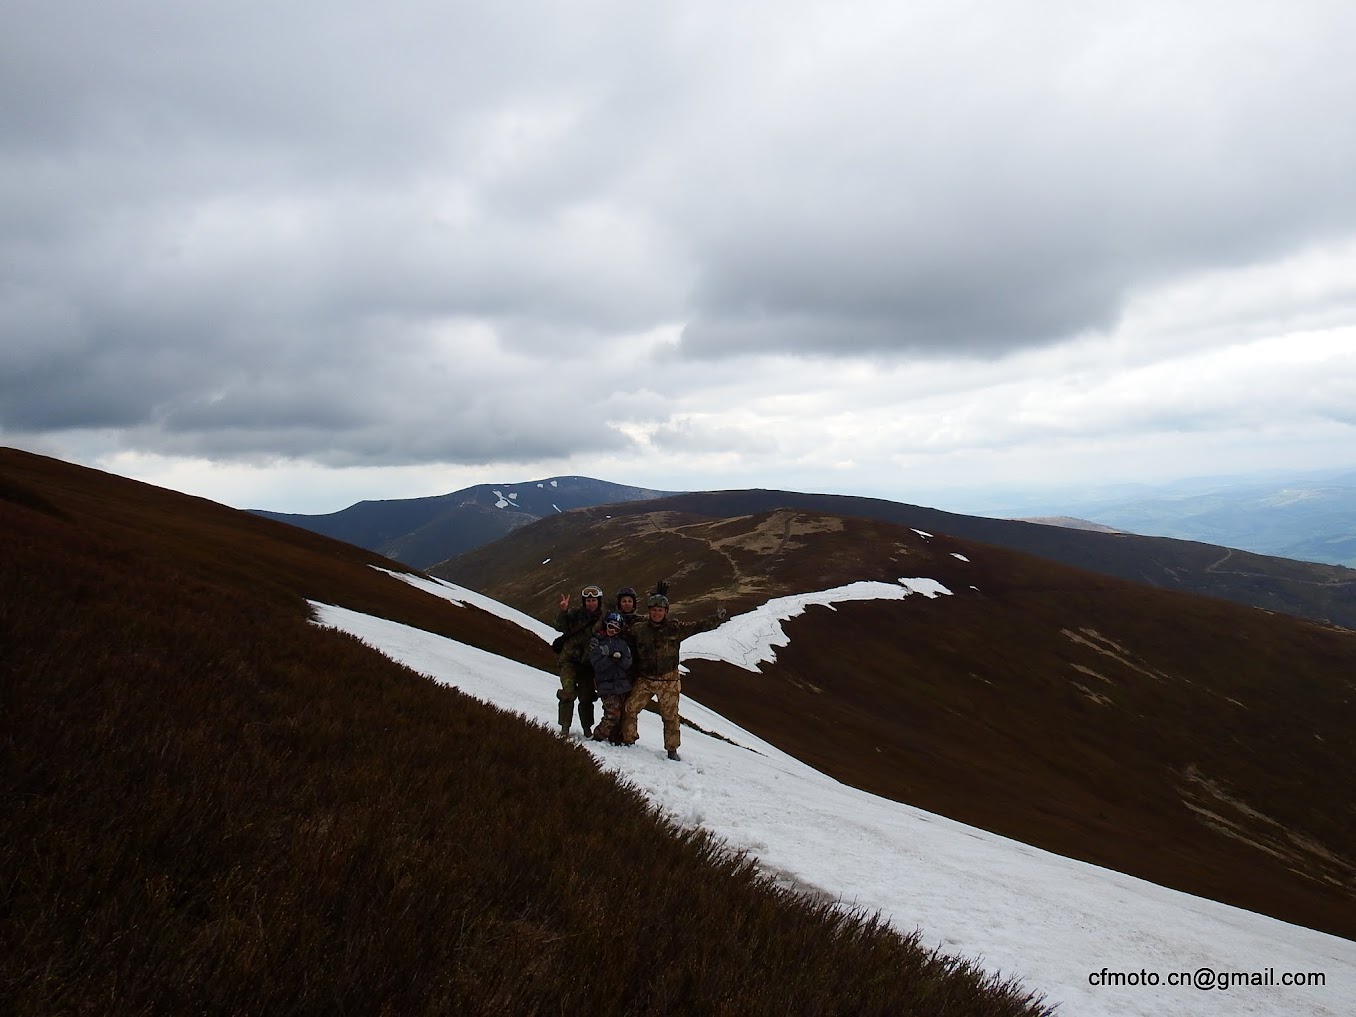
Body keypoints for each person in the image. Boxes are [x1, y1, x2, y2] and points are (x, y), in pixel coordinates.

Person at [618, 593, 727, 761]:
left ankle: (672, 749)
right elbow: (620, 633)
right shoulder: (639, 629)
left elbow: (698, 626)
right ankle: (628, 740)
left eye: (660, 610)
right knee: (630, 708)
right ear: (649, 611)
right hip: (645, 678)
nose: (657, 613)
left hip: (668, 680)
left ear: (666, 611)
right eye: (654, 610)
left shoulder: (674, 628)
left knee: (670, 717)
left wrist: (717, 618)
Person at [552, 584, 605, 737]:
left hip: (588, 665)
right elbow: (559, 625)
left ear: (598, 601)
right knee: (567, 694)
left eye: (594, 600)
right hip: (569, 661)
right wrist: (563, 611)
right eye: (588, 600)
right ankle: (565, 728)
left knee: (587, 697)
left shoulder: (603, 619)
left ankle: (587, 729)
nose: (591, 603)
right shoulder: (575, 614)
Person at [588, 612, 633, 742]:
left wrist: (620, 659)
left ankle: (615, 737)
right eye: (610, 626)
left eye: (616, 628)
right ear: (605, 625)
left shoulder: (623, 644)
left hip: (622, 685)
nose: (612, 630)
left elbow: (628, 663)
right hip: (606, 685)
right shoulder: (597, 643)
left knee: (624, 714)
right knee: (613, 714)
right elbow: (597, 666)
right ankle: (598, 736)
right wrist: (611, 659)